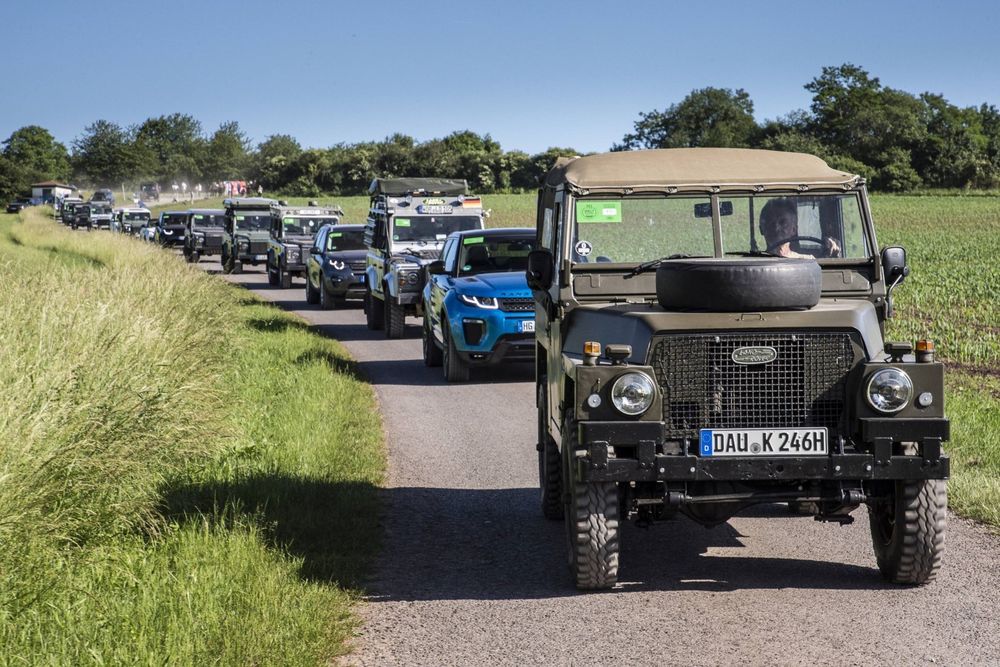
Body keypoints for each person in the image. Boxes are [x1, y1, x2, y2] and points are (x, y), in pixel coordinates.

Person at [758, 198, 840, 258]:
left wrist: (831, 251)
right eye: (771, 222)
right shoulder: (754, 264)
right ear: (762, 229)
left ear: (794, 230)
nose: (776, 228)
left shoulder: (808, 261)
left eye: (783, 223)